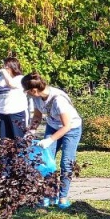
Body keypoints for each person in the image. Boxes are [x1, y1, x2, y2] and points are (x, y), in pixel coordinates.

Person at [22, 73, 83, 209]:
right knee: (46, 162)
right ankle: (48, 195)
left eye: (27, 91)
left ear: (34, 90)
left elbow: (67, 126)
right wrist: (30, 131)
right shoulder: (37, 98)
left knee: (66, 163)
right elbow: (37, 116)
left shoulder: (58, 99)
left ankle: (62, 198)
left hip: (71, 129)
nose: (26, 94)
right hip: (53, 126)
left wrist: (50, 139)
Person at [0, 56, 28, 140]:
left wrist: (4, 73)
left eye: (6, 67)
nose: (4, 69)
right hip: (2, 113)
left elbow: (11, 84)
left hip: (17, 113)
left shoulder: (20, 79)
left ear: (13, 67)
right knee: (4, 142)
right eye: (3, 67)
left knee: (19, 141)